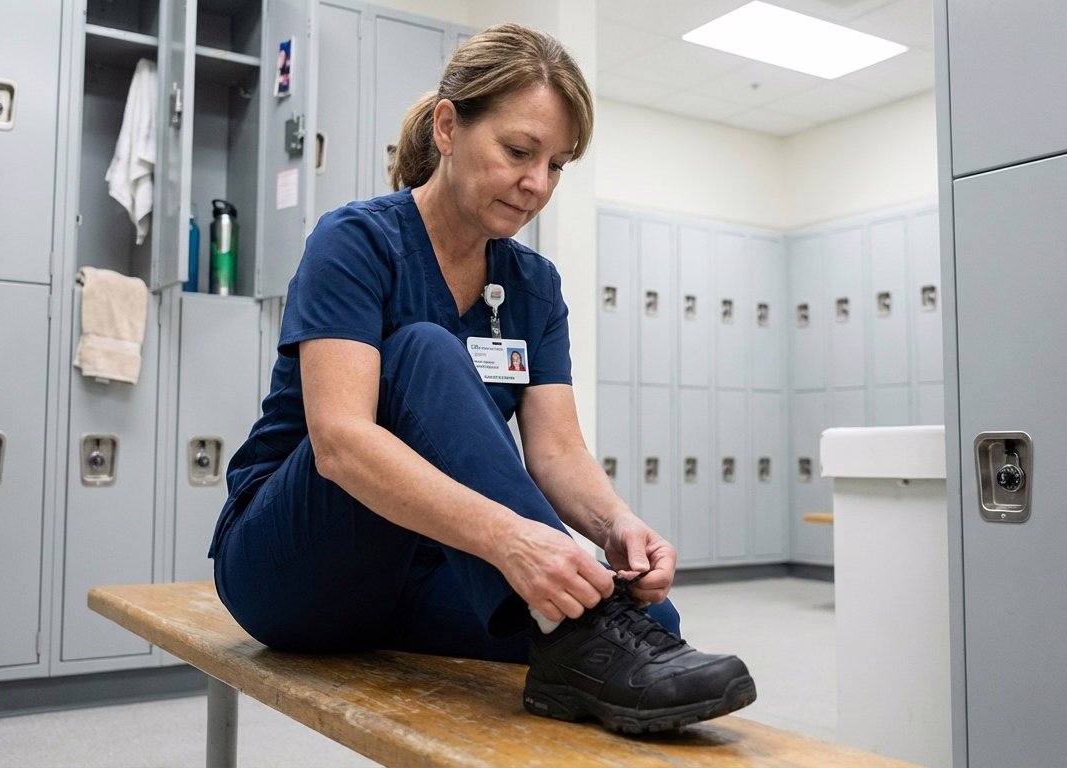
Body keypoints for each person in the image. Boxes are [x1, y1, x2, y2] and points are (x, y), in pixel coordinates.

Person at [207, 23, 755, 733]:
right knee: (426, 350)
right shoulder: (357, 242)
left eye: (558, 164)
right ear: (447, 127)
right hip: (289, 567)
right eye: (519, 151)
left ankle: (571, 653)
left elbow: (556, 449)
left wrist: (615, 524)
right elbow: (339, 443)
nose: (537, 185)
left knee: (637, 617)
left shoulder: (533, 284)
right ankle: (572, 640)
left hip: (414, 573)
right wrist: (511, 541)